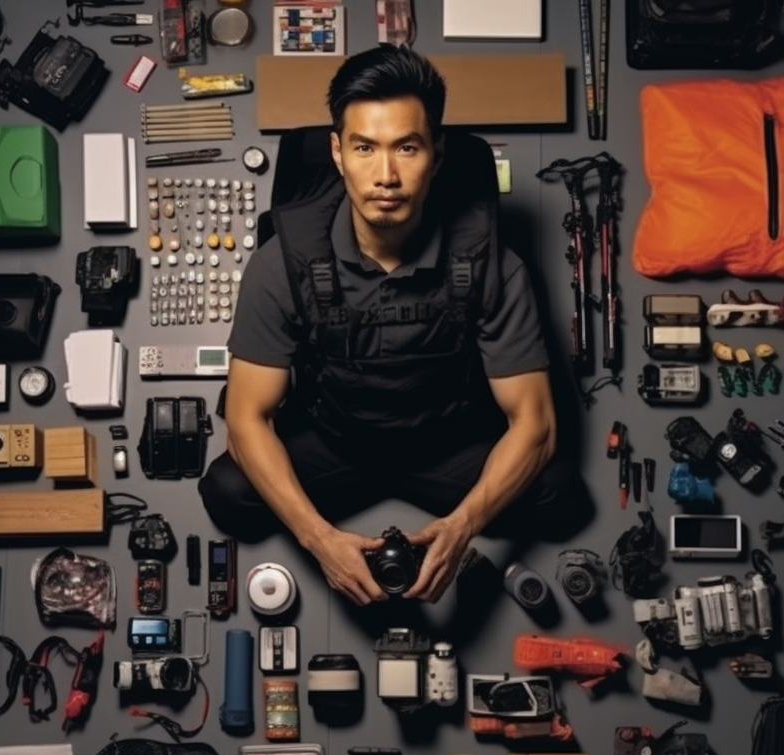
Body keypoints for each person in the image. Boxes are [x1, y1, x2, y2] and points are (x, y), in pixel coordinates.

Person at [198, 44, 592, 606]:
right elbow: (245, 418)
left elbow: (537, 423)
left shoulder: (491, 262)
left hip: (445, 445)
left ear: (436, 152)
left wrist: (461, 527)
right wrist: (319, 540)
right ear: (338, 152)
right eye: (364, 147)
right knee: (230, 494)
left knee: (559, 495)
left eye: (406, 147)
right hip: (336, 441)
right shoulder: (281, 262)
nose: (385, 175)